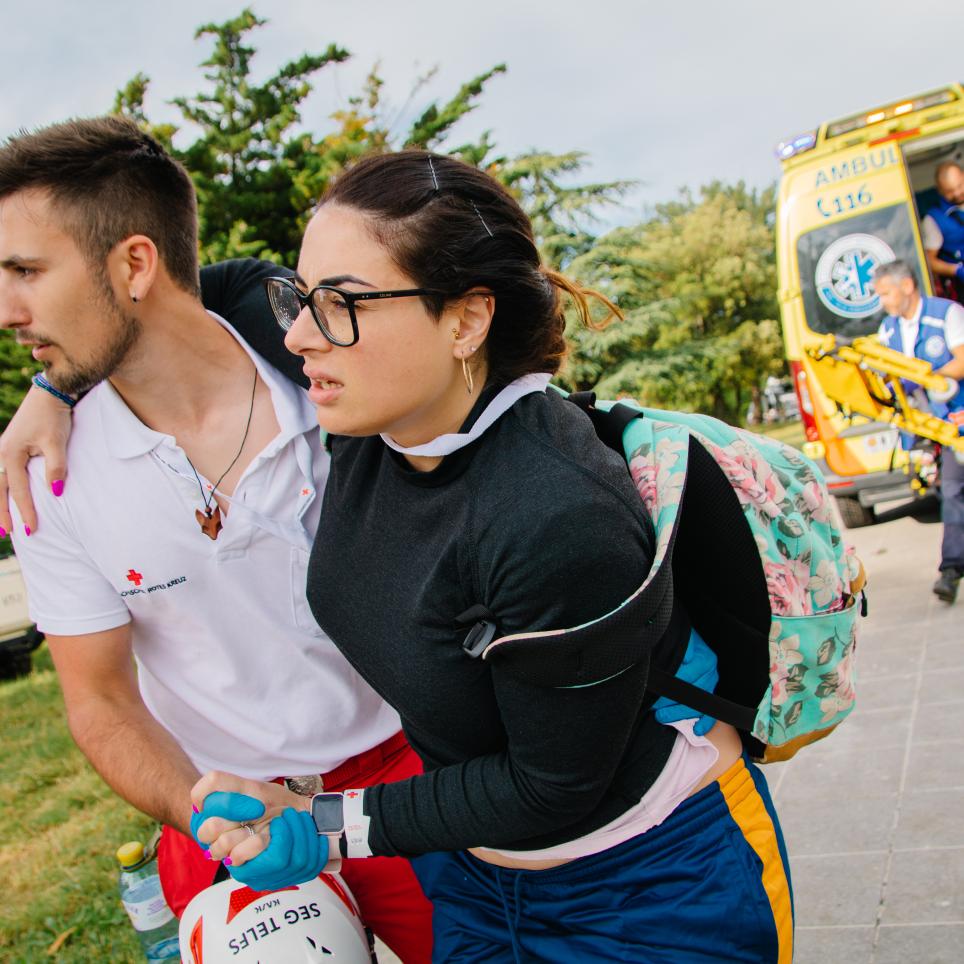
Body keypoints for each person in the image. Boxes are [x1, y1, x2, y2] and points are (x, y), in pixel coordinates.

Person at [187, 151, 795, 962]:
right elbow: (219, 286)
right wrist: (56, 393)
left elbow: (551, 783)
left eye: (339, 303)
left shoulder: (555, 513)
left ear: (467, 321)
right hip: (475, 878)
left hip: (651, 895)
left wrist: (319, 821)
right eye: (301, 298)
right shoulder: (379, 411)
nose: (298, 334)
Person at [0, 117, 433, 962]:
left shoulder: (336, 386)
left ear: (134, 263)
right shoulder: (44, 476)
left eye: (26, 271)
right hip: (227, 819)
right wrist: (209, 810)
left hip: (418, 779)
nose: (6, 310)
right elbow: (100, 701)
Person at [874, 260, 964, 602]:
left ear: (907, 286)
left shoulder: (947, 314)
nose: (883, 301)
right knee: (951, 491)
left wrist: (925, 376)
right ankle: (952, 568)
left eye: (885, 293)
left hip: (957, 416)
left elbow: (962, 358)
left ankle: (951, 569)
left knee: (954, 491)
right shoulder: (889, 329)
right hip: (935, 427)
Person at [921, 161, 964, 300]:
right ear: (939, 190)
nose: (957, 193)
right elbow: (928, 261)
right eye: (949, 191)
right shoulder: (933, 219)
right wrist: (957, 270)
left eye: (960, 186)